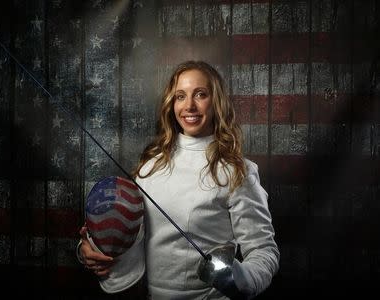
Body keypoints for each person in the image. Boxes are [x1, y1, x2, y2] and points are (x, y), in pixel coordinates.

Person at [77, 61, 279, 299]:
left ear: (217, 102)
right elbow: (126, 230)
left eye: (201, 95)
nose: (189, 106)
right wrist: (88, 249)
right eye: (180, 96)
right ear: (171, 104)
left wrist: (241, 280)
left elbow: (264, 252)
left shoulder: (237, 171)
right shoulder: (151, 165)